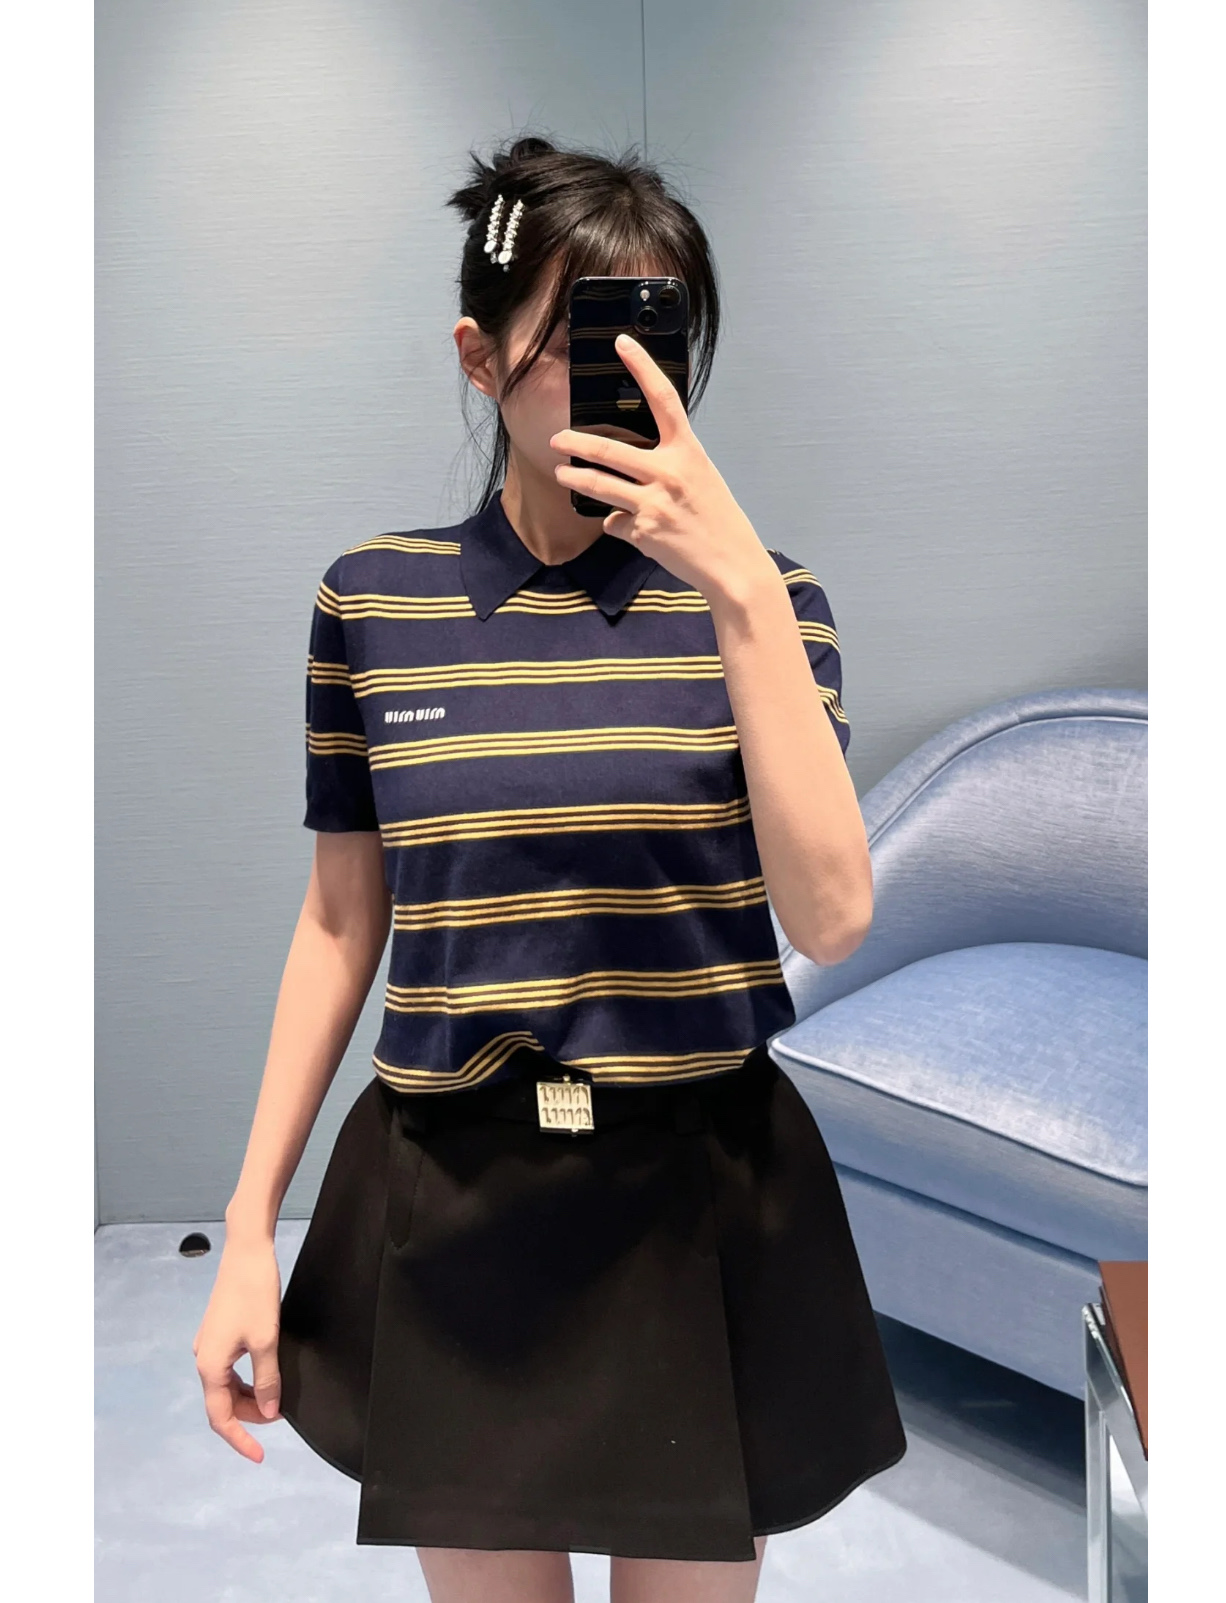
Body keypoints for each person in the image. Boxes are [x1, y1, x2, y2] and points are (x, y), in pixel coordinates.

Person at [193, 134, 906, 1603]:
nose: (620, 381)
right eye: (576, 338)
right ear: (478, 356)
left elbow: (832, 918)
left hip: (697, 1190)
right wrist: (249, 1224)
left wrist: (739, 593)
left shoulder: (770, 605)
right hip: (455, 1197)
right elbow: (338, 923)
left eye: (651, 338)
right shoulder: (373, 602)